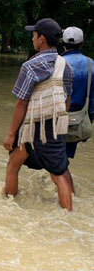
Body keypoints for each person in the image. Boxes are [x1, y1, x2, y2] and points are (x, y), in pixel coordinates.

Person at [3, 18, 74, 211]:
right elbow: (66, 100)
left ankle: (9, 206)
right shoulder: (65, 66)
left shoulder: (30, 66)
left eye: (34, 35)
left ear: (41, 38)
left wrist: (11, 133)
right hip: (53, 127)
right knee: (56, 174)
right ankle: (66, 217)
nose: (33, 38)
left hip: (32, 128)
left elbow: (21, 102)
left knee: (18, 166)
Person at [61, 26, 94, 191]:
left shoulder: (58, 63)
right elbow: (93, 101)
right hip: (79, 120)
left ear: (63, 43)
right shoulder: (91, 64)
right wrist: (89, 123)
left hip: (58, 120)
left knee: (58, 163)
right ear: (82, 43)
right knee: (63, 159)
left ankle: (68, 196)